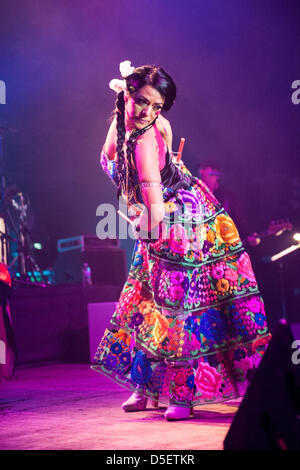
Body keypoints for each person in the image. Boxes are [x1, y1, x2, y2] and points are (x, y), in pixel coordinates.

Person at [92, 61, 271, 421]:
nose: (147, 112)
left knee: (181, 309)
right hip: (159, 214)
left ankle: (183, 393)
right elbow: (122, 166)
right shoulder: (118, 124)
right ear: (125, 93)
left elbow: (158, 200)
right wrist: (139, 207)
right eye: (141, 100)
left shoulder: (146, 138)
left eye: (156, 106)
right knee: (148, 300)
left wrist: (146, 221)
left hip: (185, 221)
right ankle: (146, 388)